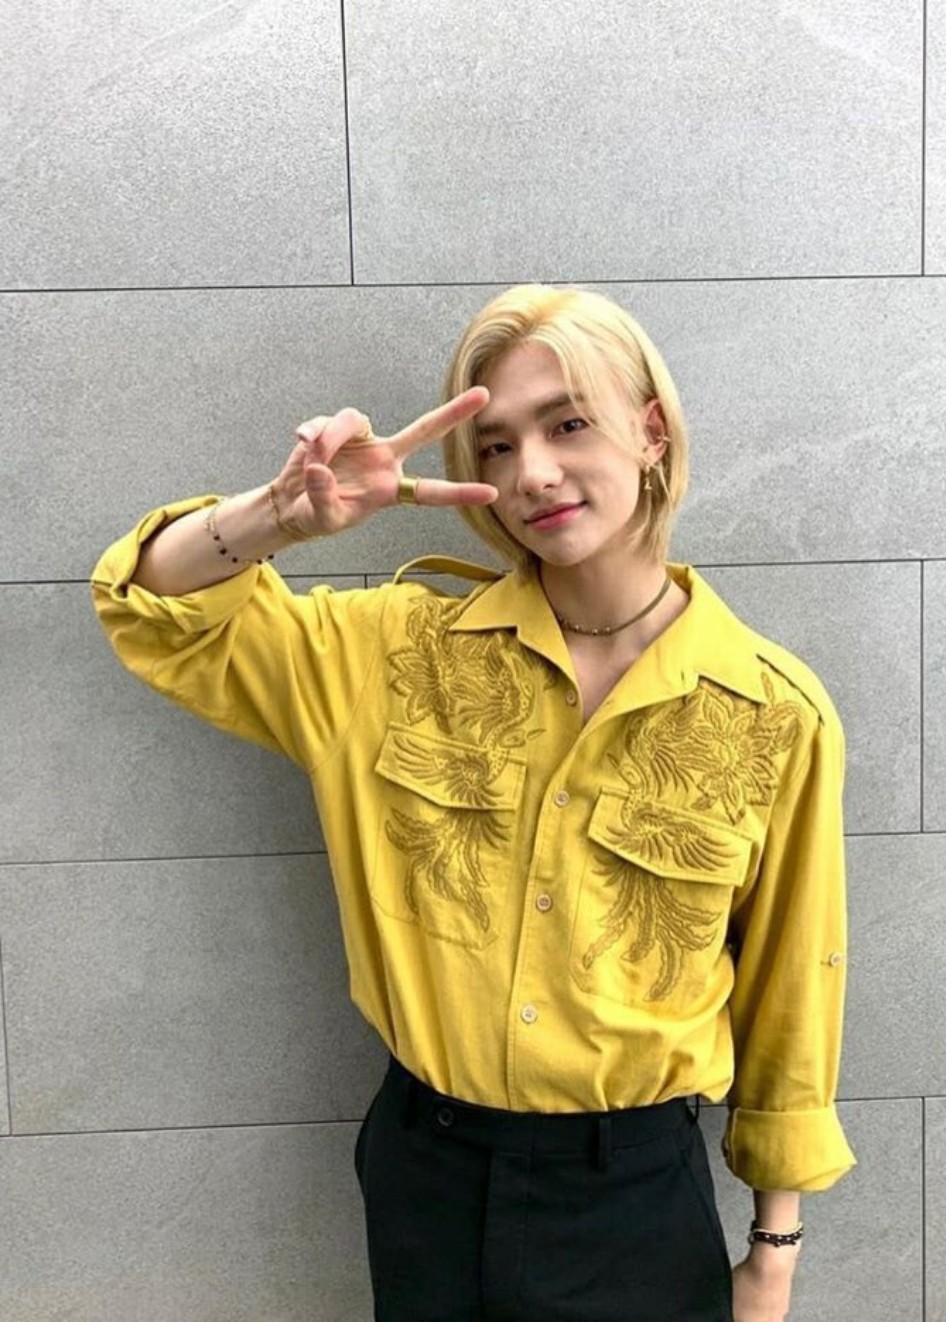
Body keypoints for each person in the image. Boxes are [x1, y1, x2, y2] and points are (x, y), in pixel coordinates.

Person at [91, 284, 855, 1322]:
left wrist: (774, 1251)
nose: (530, 471)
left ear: (650, 431)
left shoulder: (772, 712)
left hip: (633, 1195)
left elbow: (791, 992)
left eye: (568, 423)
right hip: (429, 1174)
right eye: (496, 445)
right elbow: (154, 607)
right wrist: (283, 516)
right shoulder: (391, 656)